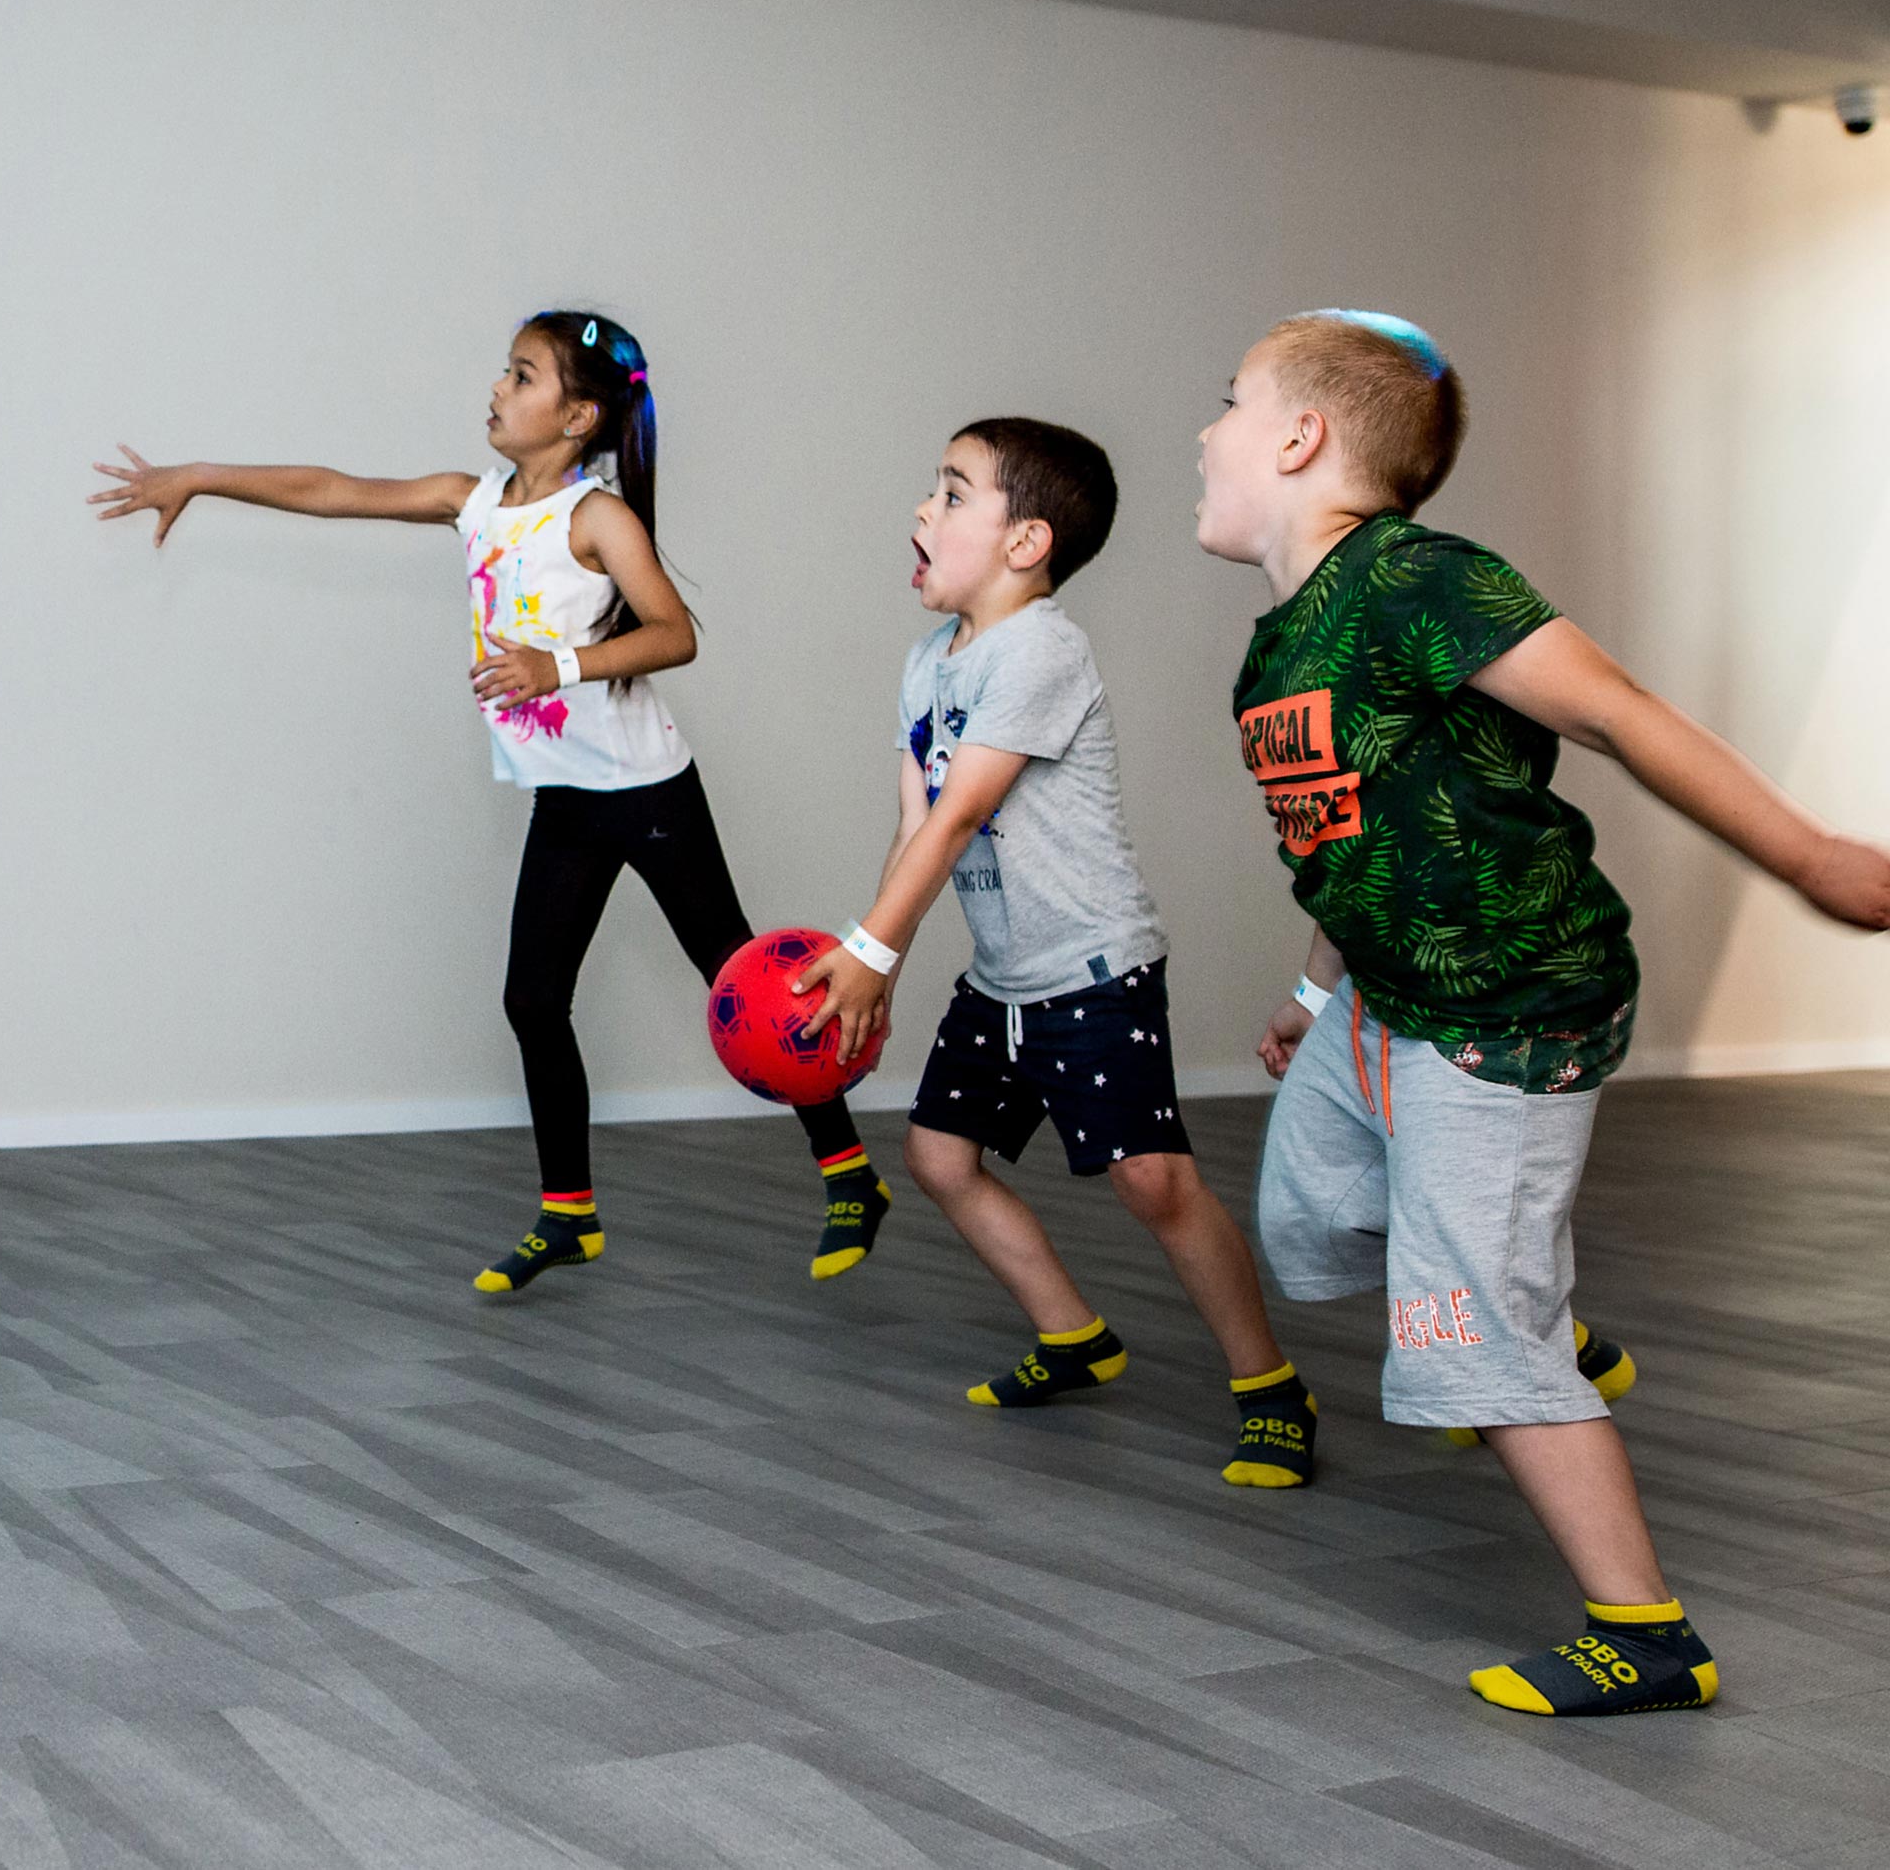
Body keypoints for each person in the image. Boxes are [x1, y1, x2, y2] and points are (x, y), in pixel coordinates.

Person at [1204, 309, 1890, 1716]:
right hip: (1386, 999)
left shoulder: (1421, 580)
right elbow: (1349, 838)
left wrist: (1806, 857)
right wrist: (1315, 989)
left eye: (1227, 404)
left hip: (1510, 1010)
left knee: (1465, 1325)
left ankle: (1645, 1630)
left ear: (1300, 439)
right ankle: (1545, 1324)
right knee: (1305, 1212)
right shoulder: (1281, 645)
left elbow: (1617, 711)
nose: (1203, 432)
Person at [90, 312, 889, 1293]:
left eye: (521, 374)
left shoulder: (597, 518)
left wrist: (556, 663)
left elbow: (675, 633)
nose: (497, 387)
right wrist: (199, 475)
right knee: (530, 998)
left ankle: (850, 1173)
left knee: (743, 979)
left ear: (578, 414)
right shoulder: (473, 503)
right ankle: (568, 1215)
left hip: (646, 792)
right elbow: (334, 489)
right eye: (503, 370)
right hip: (566, 797)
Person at [801, 421, 1314, 1485]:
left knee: (1154, 1182)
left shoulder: (1040, 648)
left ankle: (1270, 1385)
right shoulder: (924, 662)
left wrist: (869, 951)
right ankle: (1072, 1331)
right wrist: (874, 963)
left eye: (950, 493)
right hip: (1000, 976)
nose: (921, 511)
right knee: (939, 1156)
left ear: (1026, 540)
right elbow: (913, 826)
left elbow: (958, 818)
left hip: (1091, 966)